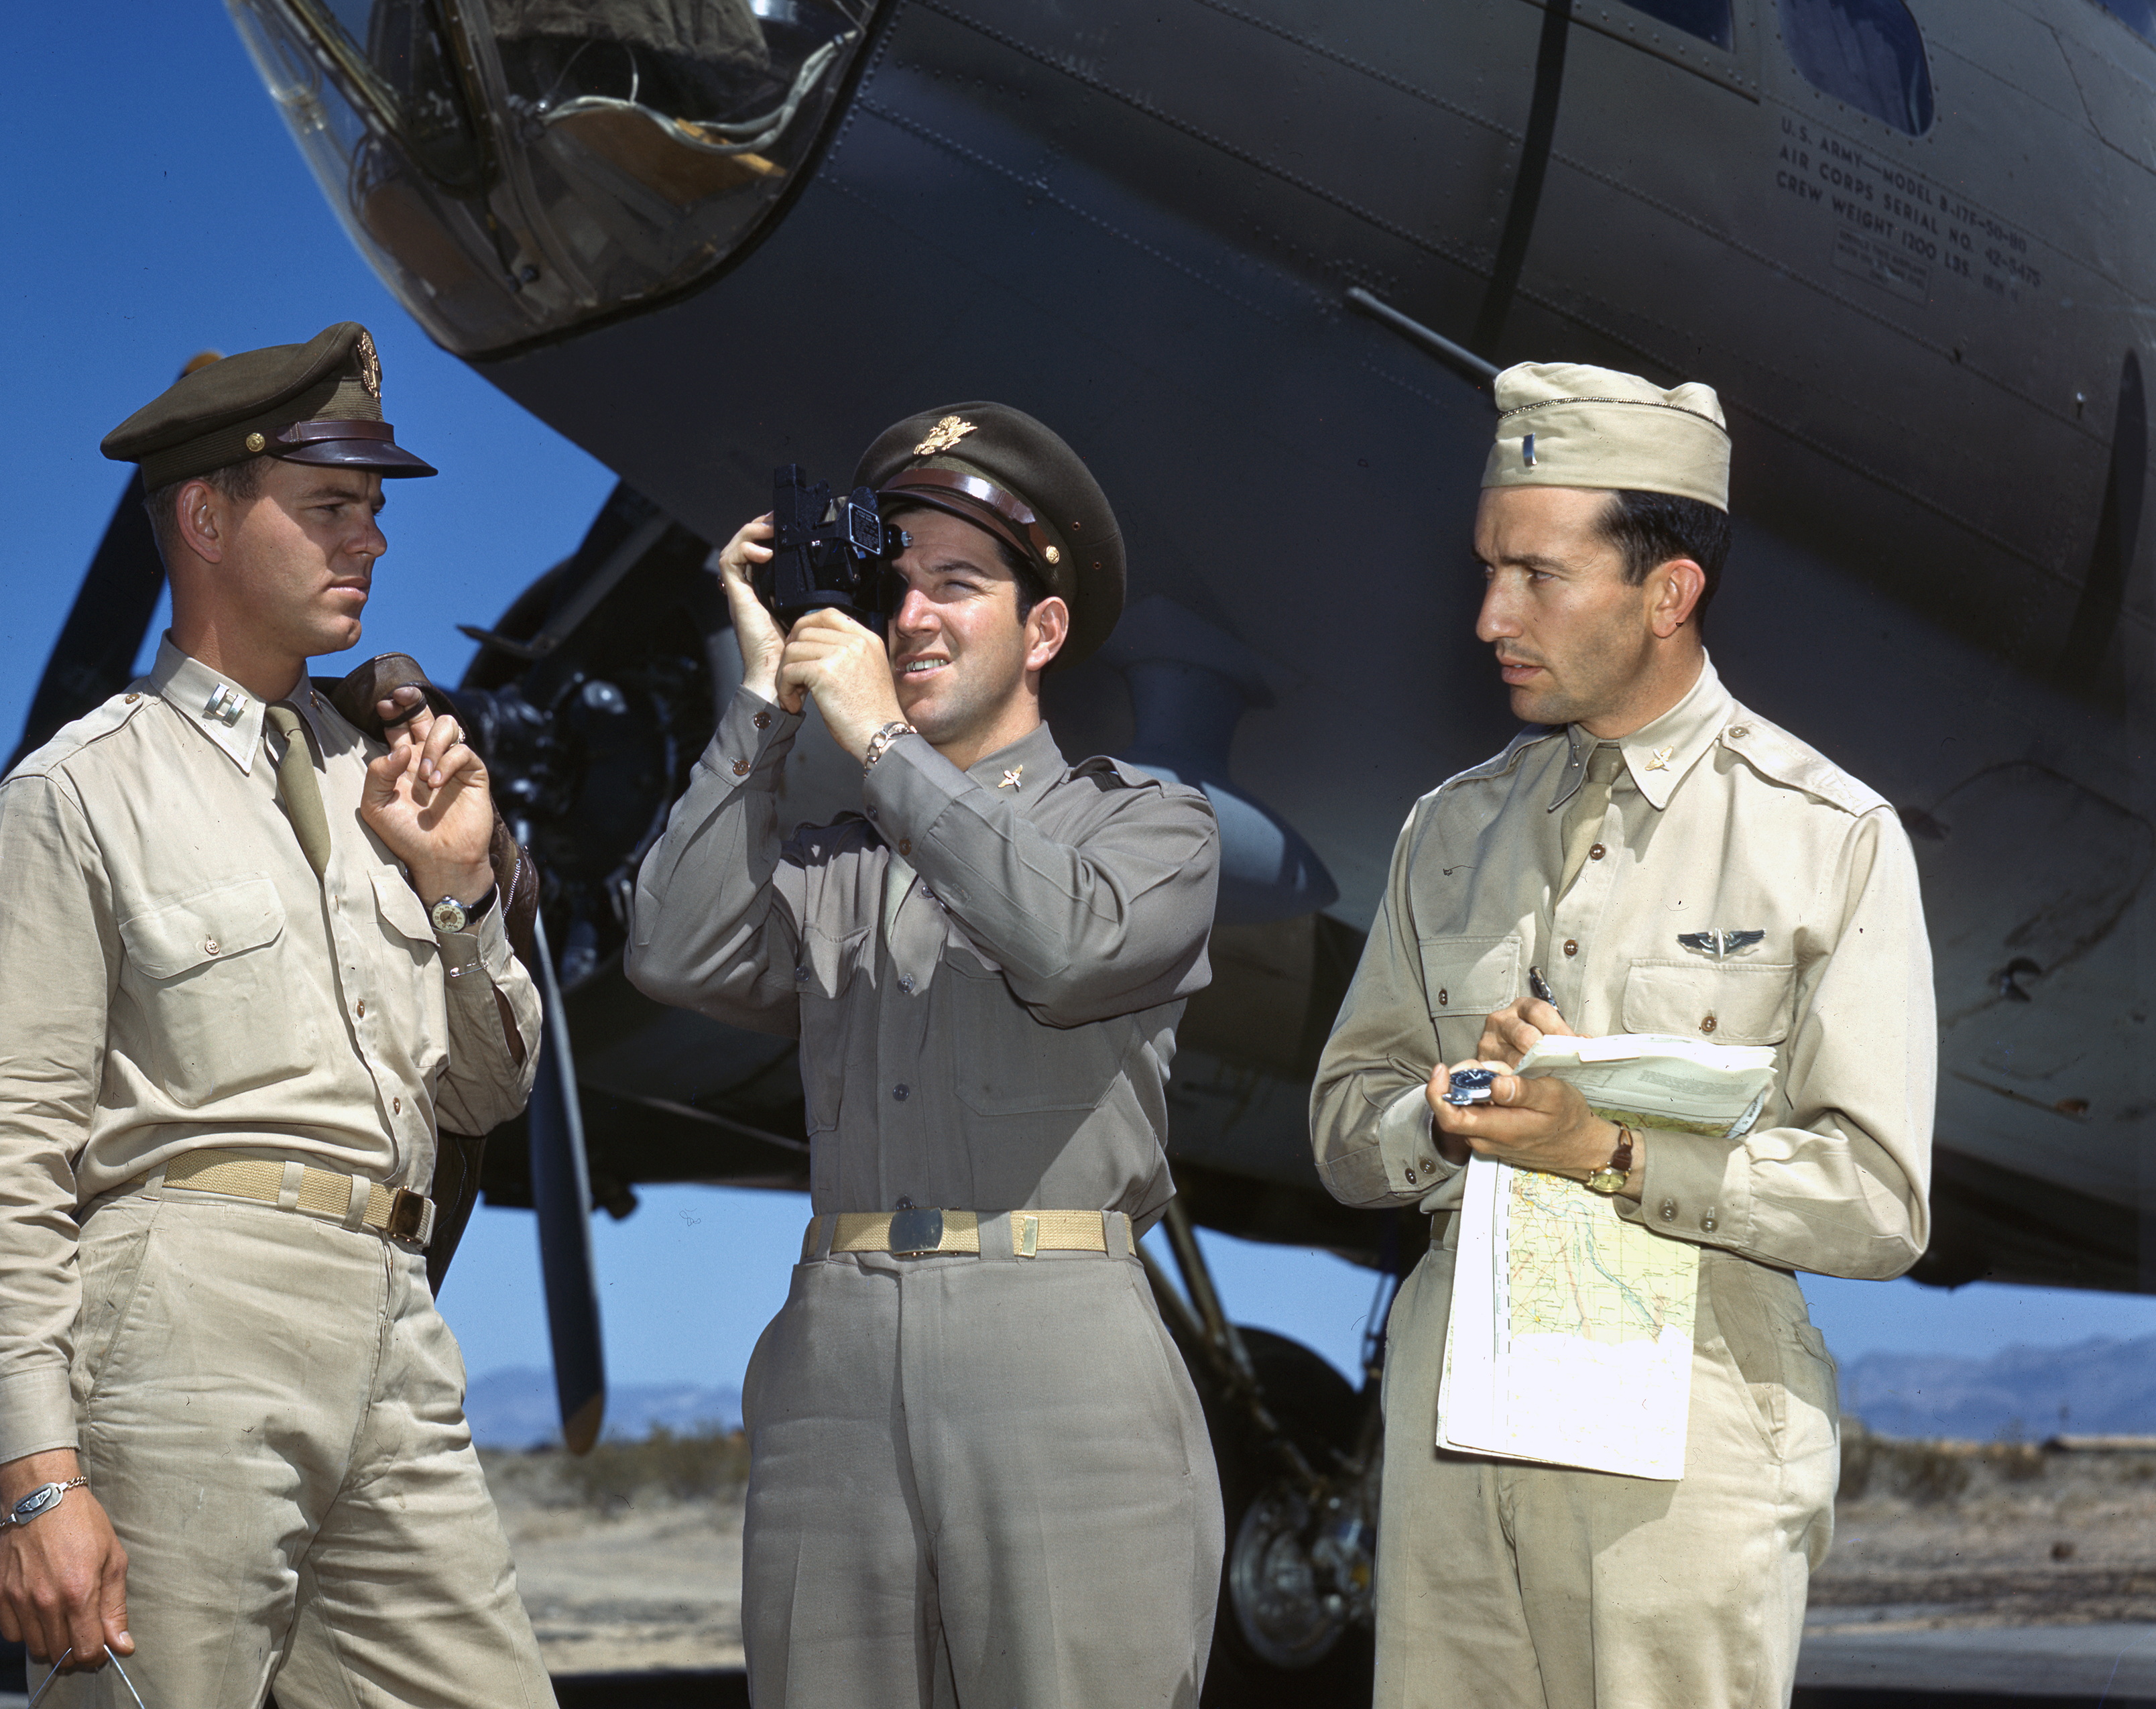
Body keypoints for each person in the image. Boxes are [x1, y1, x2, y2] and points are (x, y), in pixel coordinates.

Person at [0, 322, 556, 1709]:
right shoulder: (78, 795)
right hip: (181, 1326)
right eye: (331, 506)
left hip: (397, 1311)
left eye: (375, 512)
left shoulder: (391, 783)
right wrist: (38, 1480)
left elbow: (485, 1097)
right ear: (204, 516)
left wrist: (458, 891)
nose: (369, 542)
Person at [1309, 362, 1937, 1708]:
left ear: (1668, 591)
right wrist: (1440, 1113)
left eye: (1537, 574)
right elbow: (1341, 1123)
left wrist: (1603, 1144)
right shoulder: (1446, 830)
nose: (1490, 614)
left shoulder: (1828, 838)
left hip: (1690, 1458)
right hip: (1452, 1445)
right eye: (1487, 568)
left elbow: (1879, 1202)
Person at [627, 403, 1226, 1708]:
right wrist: (761, 702)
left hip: (1056, 1357)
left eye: (961, 584)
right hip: (832, 1362)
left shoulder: (1151, 826)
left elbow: (1064, 944)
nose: (915, 618)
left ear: (1045, 628)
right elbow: (671, 953)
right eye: (898, 588)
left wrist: (885, 745)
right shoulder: (845, 869)